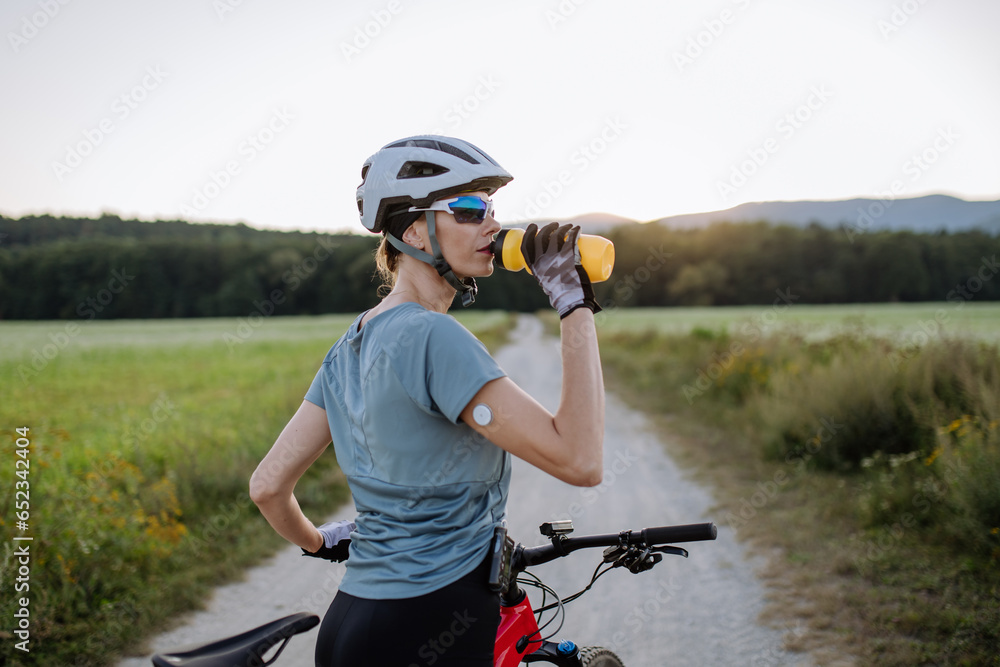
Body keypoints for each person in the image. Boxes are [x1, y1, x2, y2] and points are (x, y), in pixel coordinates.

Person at [249, 135, 606, 667]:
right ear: (414, 230)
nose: (490, 223)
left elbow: (268, 487)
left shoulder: (349, 345)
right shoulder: (436, 337)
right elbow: (579, 460)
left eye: (490, 208)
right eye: (467, 208)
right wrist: (573, 303)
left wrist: (323, 543)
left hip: (351, 623)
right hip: (433, 622)